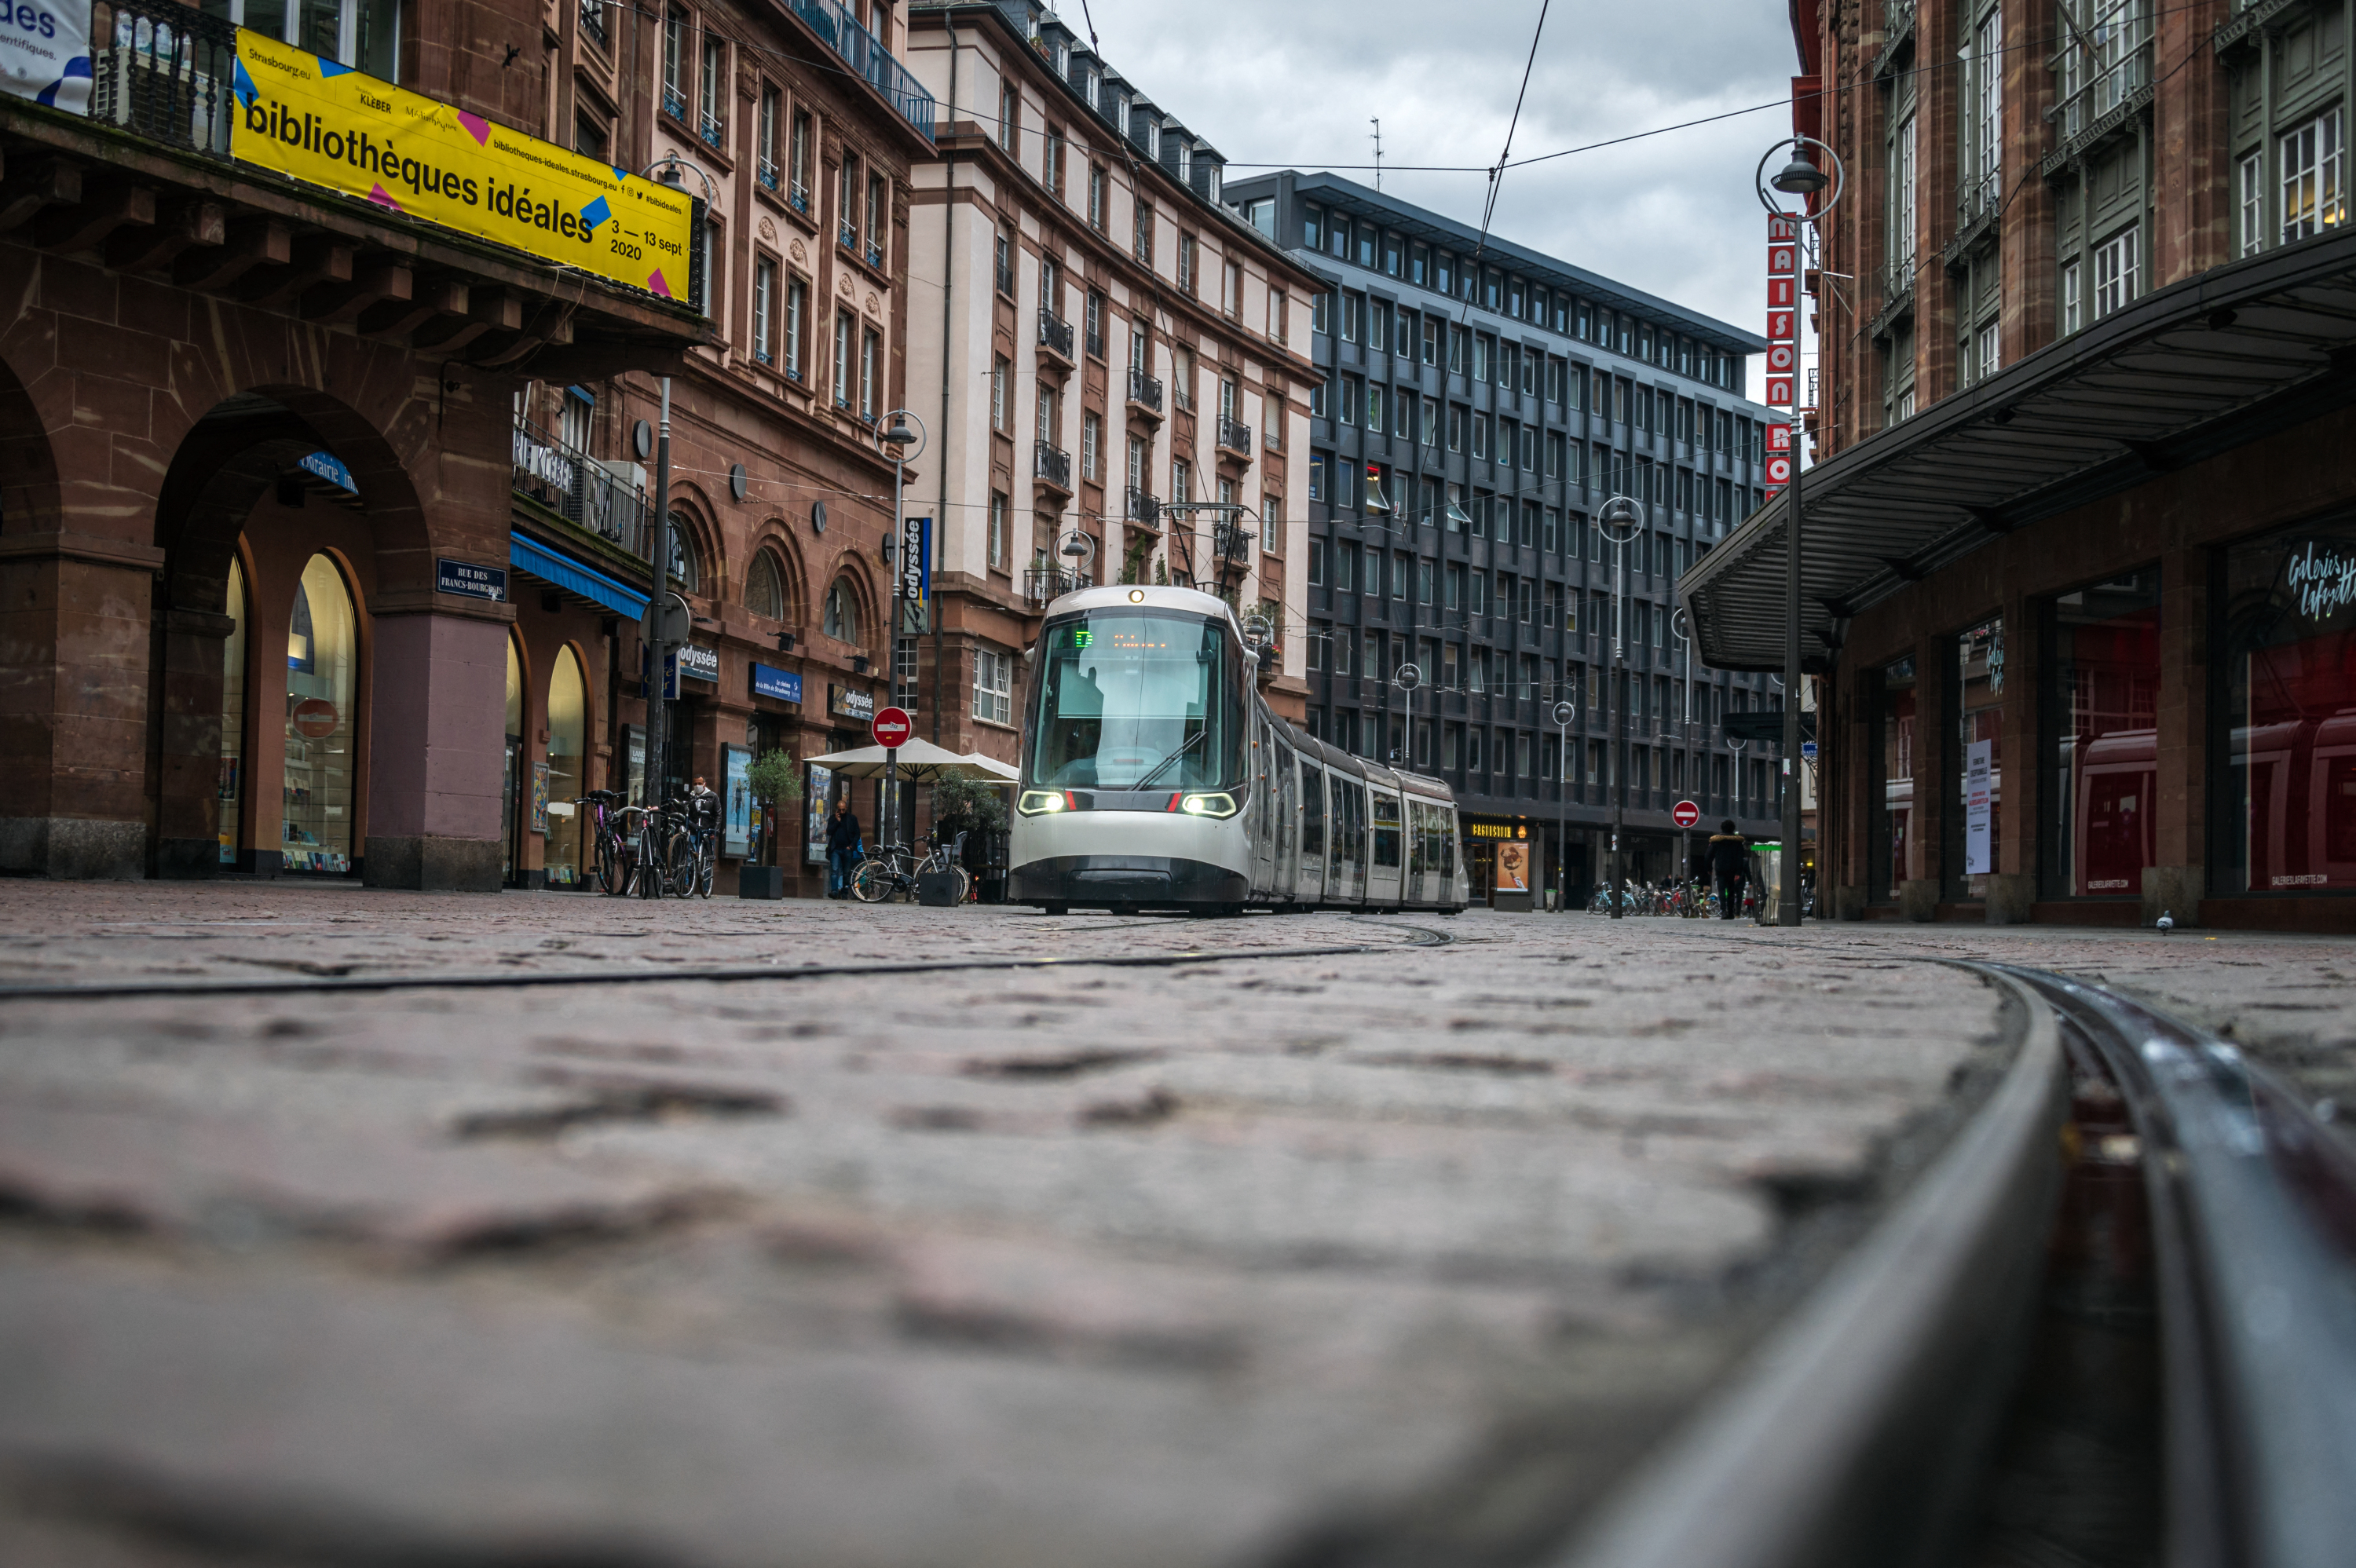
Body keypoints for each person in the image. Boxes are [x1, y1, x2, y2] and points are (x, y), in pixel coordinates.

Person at [1706, 819, 1750, 920]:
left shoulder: (1716, 841)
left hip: (1720, 869)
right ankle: (1731, 912)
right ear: (1733, 829)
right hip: (1733, 870)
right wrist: (1738, 872)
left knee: (1721, 890)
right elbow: (1740, 857)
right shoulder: (1737, 842)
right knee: (1731, 891)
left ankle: (1723, 911)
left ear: (1722, 828)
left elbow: (1708, 856)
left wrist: (1709, 868)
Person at [825, 795, 862, 899]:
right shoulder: (833, 818)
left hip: (847, 849)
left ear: (846, 808)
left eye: (843, 810)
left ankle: (845, 892)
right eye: (839, 810)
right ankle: (835, 891)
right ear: (837, 809)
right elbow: (829, 831)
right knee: (835, 870)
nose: (841, 812)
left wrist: (851, 846)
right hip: (835, 849)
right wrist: (837, 821)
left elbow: (857, 833)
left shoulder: (852, 819)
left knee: (846, 872)